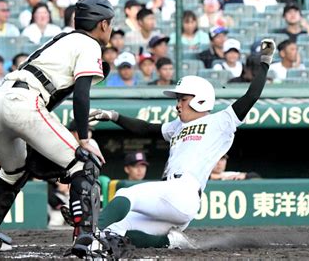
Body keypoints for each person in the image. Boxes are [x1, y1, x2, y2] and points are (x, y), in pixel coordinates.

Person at [83, 39, 276, 256]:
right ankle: (171, 240)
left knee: (128, 194)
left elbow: (251, 96)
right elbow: (146, 128)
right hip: (170, 197)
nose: (178, 104)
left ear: (200, 100)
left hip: (184, 190)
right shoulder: (177, 126)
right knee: (116, 230)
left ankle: (88, 232)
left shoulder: (220, 121)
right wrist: (113, 116)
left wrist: (265, 62)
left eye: (183, 99)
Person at [0, 0, 116, 257]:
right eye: (110, 24)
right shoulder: (90, 44)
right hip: (24, 101)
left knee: (12, 172)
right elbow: (82, 95)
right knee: (85, 163)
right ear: (102, 24)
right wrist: (84, 139)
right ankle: (87, 239)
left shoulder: (61, 38)